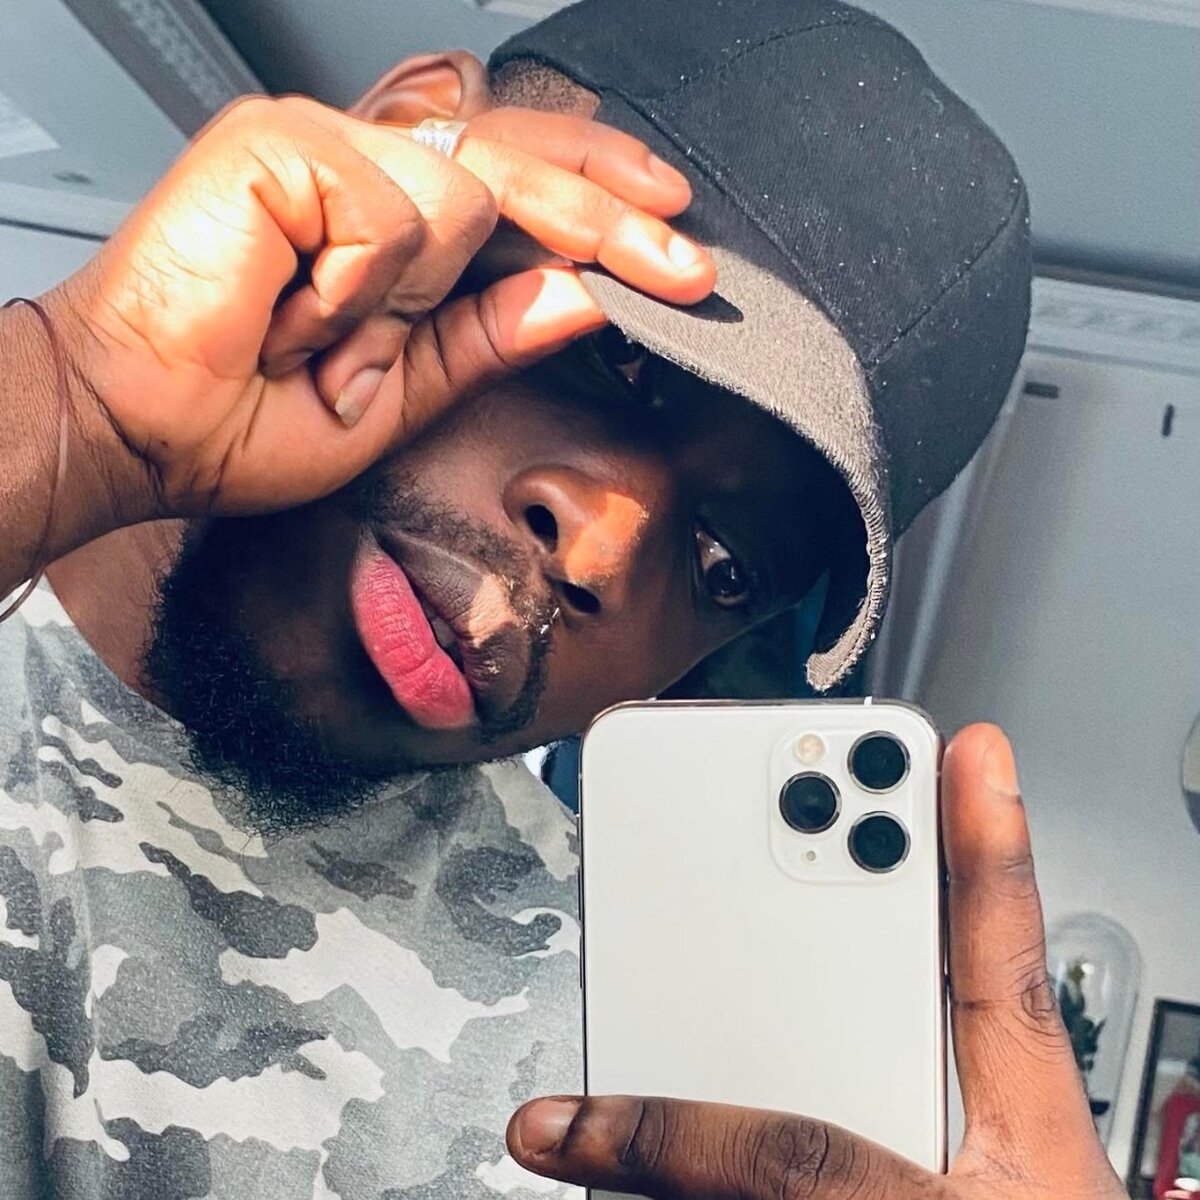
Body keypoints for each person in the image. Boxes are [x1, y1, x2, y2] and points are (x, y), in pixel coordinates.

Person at [0, 0, 1125, 1196]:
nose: (599, 549)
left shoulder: (611, 1081)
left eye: (725, 564)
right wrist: (66, 406)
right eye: (612, 355)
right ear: (407, 137)